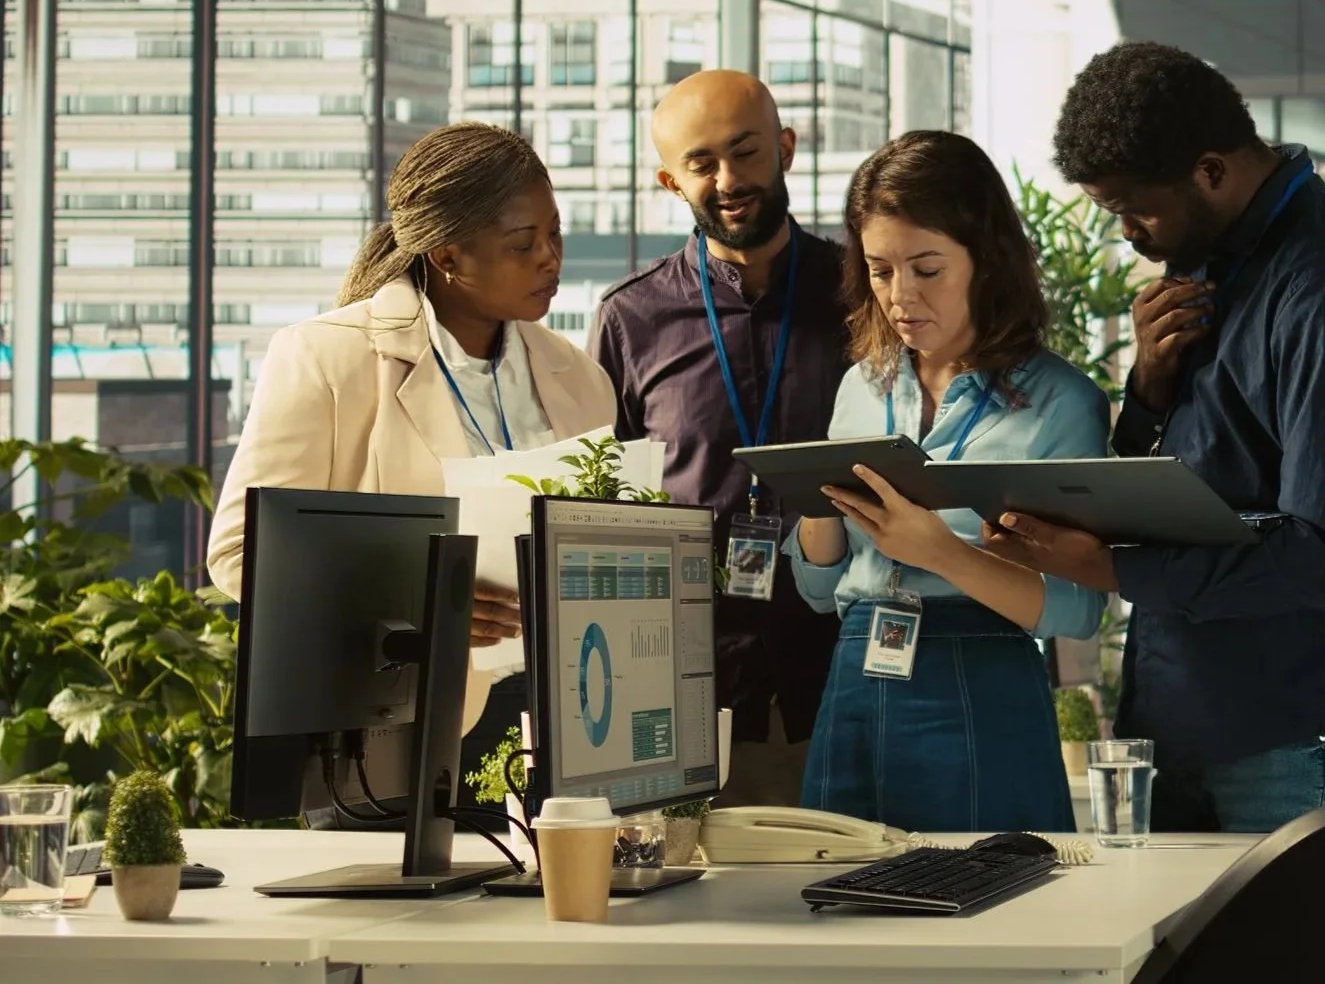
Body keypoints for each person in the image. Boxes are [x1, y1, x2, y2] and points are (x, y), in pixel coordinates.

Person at [986, 42, 1325, 833]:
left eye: (1136, 208)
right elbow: (1195, 489)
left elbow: (1322, 552)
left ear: (1209, 170)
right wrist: (1147, 391)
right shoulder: (1211, 271)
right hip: (1183, 720)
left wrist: (1108, 566)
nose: (1127, 233)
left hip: (1300, 738)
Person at [208, 121, 617, 742]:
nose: (550, 257)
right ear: (447, 256)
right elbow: (241, 553)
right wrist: (424, 597)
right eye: (522, 243)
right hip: (395, 720)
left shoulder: (580, 377)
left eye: (555, 233)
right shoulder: (327, 358)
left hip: (568, 716)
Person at [786, 129, 1110, 834]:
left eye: (926, 268)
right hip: (855, 671)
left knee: (985, 918)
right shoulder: (859, 387)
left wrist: (940, 553)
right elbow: (818, 593)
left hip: (981, 680)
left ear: (985, 261)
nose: (900, 296)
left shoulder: (1063, 402)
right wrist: (814, 512)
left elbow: (1078, 613)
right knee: (838, 917)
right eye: (878, 270)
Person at [587, 70, 849, 807]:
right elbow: (604, 506)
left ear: (786, 148)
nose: (728, 179)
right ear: (671, 181)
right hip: (684, 689)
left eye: (746, 152)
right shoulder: (628, 320)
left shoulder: (862, 292)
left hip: (847, 672)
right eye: (702, 163)